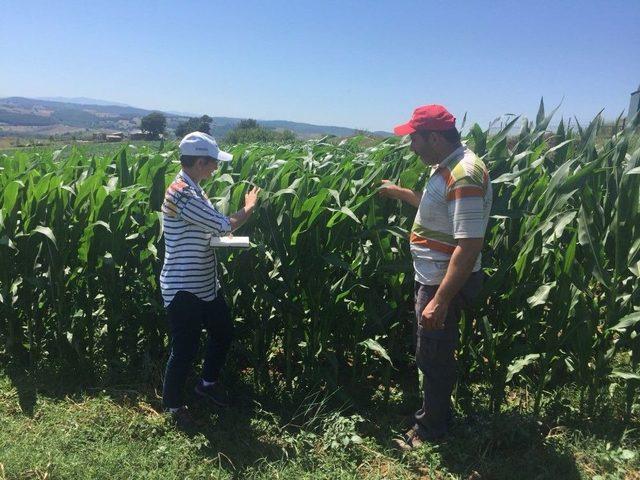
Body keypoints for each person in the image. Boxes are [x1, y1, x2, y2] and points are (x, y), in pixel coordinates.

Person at [378, 105, 492, 449]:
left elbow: (469, 246)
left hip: (443, 283)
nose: (412, 146)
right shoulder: (447, 167)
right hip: (433, 277)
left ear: (434, 137)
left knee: (434, 356)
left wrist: (439, 300)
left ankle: (432, 429)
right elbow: (437, 208)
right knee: (431, 352)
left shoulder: (465, 173)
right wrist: (399, 192)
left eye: (415, 138)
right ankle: (432, 414)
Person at [160, 131, 260, 423]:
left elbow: (207, 228)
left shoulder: (195, 188)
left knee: (223, 331)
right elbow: (221, 224)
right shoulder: (181, 193)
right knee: (185, 348)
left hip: (205, 283)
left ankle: (207, 385)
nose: (216, 168)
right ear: (201, 162)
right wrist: (250, 207)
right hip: (183, 287)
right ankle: (173, 407)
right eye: (214, 163)